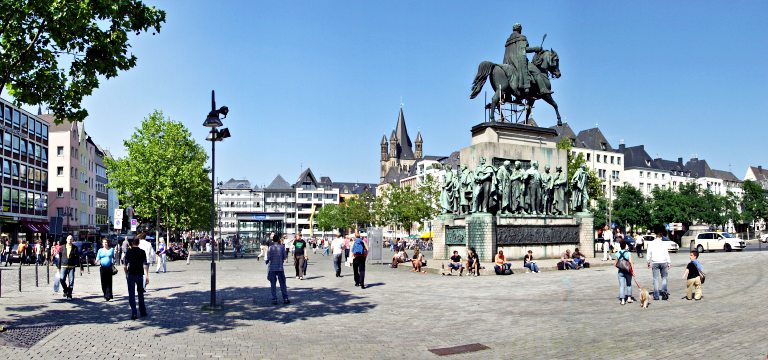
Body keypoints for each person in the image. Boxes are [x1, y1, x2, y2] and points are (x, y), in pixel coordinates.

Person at [124, 236, 149, 320]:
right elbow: (145, 264)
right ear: (138, 243)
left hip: (131, 274)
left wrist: (126, 273)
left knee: (131, 294)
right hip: (140, 275)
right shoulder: (142, 252)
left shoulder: (128, 252)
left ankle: (134, 313)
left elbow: (125, 265)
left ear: (131, 243)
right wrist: (147, 275)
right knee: (140, 294)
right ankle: (142, 311)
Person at [265, 233, 290, 305]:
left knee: (273, 284)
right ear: (278, 240)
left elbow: (268, 258)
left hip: (272, 268)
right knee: (282, 283)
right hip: (280, 267)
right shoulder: (282, 247)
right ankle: (285, 298)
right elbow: (285, 257)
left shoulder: (270, 248)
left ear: (273, 240)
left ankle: (274, 299)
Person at [647, 230, 671, 301]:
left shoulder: (651, 243)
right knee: (664, 278)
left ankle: (656, 296)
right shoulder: (663, 243)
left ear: (656, 236)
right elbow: (666, 253)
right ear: (661, 237)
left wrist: (648, 261)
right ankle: (664, 292)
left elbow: (649, 253)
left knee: (655, 279)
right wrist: (669, 263)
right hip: (663, 262)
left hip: (655, 262)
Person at [57, 235, 83, 300]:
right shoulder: (62, 247)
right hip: (63, 266)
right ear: (66, 240)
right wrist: (58, 267)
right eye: (68, 239)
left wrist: (81, 266)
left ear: (72, 240)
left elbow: (78, 257)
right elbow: (60, 257)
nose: (70, 240)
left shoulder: (75, 248)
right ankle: (65, 290)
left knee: (71, 281)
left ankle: (69, 295)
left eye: (71, 239)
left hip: (71, 266)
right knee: (62, 279)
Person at [614, 240, 634, 305]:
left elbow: (615, 263)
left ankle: (622, 300)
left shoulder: (617, 253)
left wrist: (620, 266)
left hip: (620, 271)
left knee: (621, 286)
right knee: (629, 284)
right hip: (628, 271)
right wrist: (632, 271)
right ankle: (629, 298)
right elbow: (631, 262)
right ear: (625, 246)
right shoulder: (628, 253)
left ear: (620, 246)